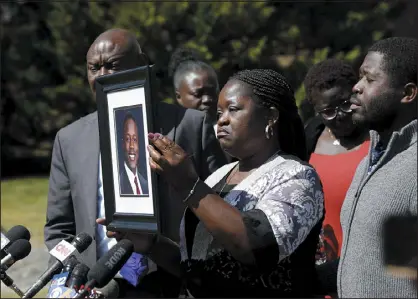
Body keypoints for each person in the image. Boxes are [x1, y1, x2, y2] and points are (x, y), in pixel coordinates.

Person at [101, 69, 325, 297]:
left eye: (233, 109)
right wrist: (152, 244)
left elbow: (256, 249)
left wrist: (189, 185)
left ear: (271, 116)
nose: (222, 120)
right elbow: (197, 266)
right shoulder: (219, 176)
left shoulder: (297, 176)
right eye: (219, 113)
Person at [44, 28, 227, 297]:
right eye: (94, 68)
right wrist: (70, 276)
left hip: (174, 283)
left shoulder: (190, 125)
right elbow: (59, 228)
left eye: (113, 65)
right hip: (98, 286)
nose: (103, 75)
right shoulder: (69, 139)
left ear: (142, 65)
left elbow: (220, 208)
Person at [337, 37, 417, 298]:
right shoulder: (370, 160)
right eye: (360, 78)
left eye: (370, 80)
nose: (356, 88)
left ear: (407, 94)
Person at [303, 59, 370, 266]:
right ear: (316, 110)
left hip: (369, 261)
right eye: (328, 111)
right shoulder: (307, 142)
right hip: (322, 266)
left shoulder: (380, 137)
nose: (340, 115)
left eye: (345, 103)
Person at [168, 47, 219, 130]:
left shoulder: (230, 134)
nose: (207, 99)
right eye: (198, 94)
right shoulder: (168, 134)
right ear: (178, 96)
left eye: (212, 92)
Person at [119, 113, 148, 195]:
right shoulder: (118, 184)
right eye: (128, 139)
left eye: (135, 139)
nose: (132, 146)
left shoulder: (146, 185)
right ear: (122, 144)